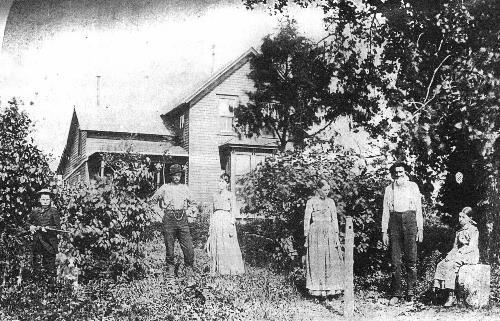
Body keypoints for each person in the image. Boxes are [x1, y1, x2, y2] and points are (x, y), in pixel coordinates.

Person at [382, 162, 423, 304]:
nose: (399, 174)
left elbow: (419, 209)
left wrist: (420, 229)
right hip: (394, 223)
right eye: (396, 172)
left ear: (406, 173)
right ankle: (396, 293)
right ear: (393, 174)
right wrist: (384, 232)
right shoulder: (389, 189)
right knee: (395, 261)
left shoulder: (413, 186)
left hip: (410, 221)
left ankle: (410, 292)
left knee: (411, 260)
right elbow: (385, 212)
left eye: (401, 172)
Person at [151, 163, 196, 278]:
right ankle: (170, 270)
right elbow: (152, 201)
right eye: (175, 175)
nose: (177, 177)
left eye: (179, 175)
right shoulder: (165, 188)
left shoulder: (184, 188)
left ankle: (188, 269)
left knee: (188, 246)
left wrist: (190, 214)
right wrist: (160, 214)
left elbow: (193, 203)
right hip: (169, 218)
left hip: (182, 218)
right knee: (170, 246)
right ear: (171, 176)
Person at [303, 179, 344, 297]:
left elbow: (334, 218)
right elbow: (307, 219)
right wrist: (306, 235)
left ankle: (330, 288)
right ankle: (317, 290)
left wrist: (336, 233)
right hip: (315, 233)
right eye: (325, 190)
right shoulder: (311, 202)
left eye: (328, 190)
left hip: (329, 231)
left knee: (330, 259)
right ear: (318, 190)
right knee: (317, 260)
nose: (327, 192)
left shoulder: (331, 202)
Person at [433, 207, 479, 307]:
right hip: (458, 253)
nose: (460, 219)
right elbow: (455, 247)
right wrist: (450, 255)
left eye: (463, 217)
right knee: (442, 264)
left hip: (470, 254)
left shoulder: (473, 230)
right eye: (459, 217)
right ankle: (440, 292)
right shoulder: (458, 230)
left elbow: (472, 246)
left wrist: (459, 252)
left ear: (469, 218)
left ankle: (451, 295)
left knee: (452, 265)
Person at [205, 173, 245, 275]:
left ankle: (229, 270)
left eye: (222, 182)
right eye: (219, 181)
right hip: (216, 220)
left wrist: (231, 223)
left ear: (227, 184)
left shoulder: (230, 195)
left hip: (226, 220)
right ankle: (217, 269)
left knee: (227, 244)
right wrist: (211, 224)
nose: (220, 184)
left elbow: (233, 210)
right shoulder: (214, 195)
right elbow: (211, 211)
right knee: (216, 243)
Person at [27, 188, 61, 278]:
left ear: (50, 200)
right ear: (39, 200)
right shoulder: (35, 211)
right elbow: (27, 223)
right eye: (43, 199)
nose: (45, 201)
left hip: (49, 242)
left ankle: (51, 286)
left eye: (47, 199)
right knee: (36, 264)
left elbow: (58, 228)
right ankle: (37, 285)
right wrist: (31, 226)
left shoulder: (53, 211)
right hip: (37, 242)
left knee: (49, 266)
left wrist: (49, 228)